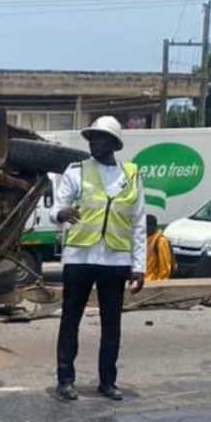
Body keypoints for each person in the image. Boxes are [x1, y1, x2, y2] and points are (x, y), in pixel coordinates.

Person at [51, 116, 146, 402]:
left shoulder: (131, 175)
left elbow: (138, 223)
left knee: (112, 325)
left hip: (115, 262)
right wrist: (61, 214)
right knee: (70, 320)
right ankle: (65, 380)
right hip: (80, 258)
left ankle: (107, 381)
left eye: (100, 138)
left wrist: (139, 266)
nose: (93, 142)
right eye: (91, 137)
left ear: (113, 143)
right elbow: (57, 207)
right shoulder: (76, 171)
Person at [145, 214, 176, 282]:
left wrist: (160, 284)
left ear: (154, 226)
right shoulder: (146, 239)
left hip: (153, 282)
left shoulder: (161, 241)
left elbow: (165, 268)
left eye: (147, 226)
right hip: (143, 280)